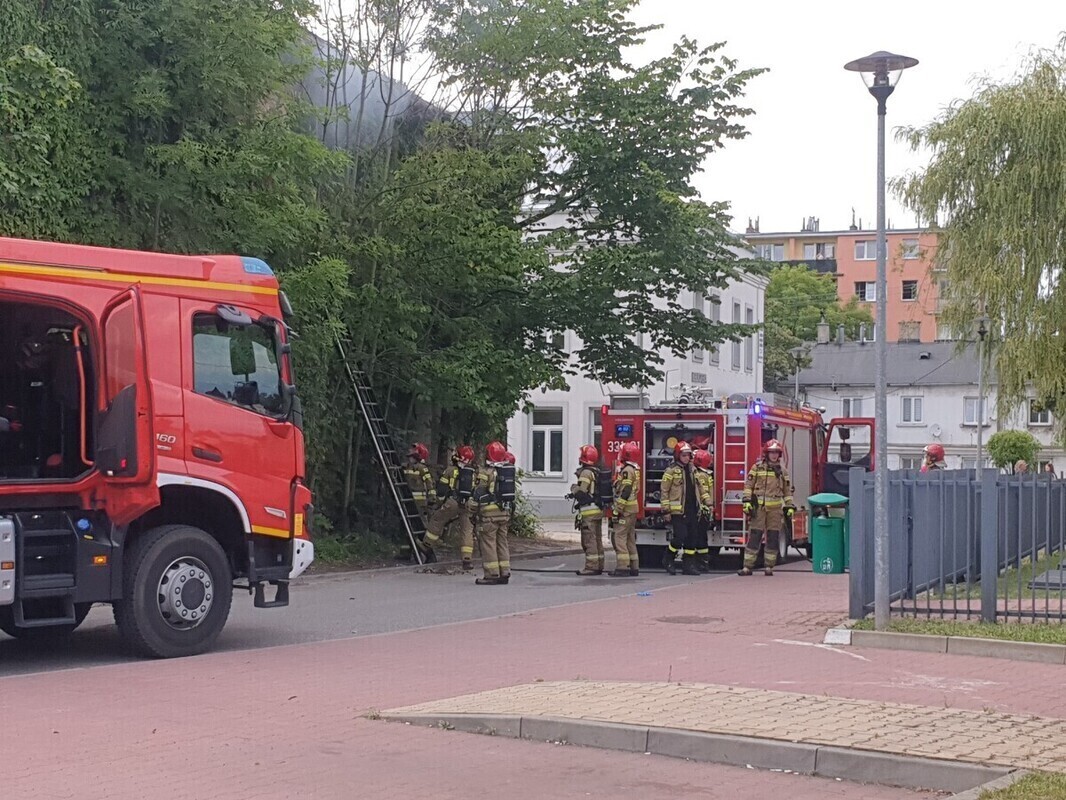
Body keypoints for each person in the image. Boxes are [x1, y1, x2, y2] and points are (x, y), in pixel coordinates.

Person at [739, 439, 794, 577]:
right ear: (766, 453)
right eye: (771, 452)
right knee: (755, 536)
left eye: (776, 453)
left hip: (775, 510)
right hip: (759, 509)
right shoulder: (757, 468)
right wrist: (746, 501)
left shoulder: (782, 471)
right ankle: (747, 567)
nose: (774, 455)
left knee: (773, 537)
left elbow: (787, 491)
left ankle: (769, 566)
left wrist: (789, 506)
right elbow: (748, 486)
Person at [422, 444, 476, 569]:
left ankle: (427, 544)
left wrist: (438, 504)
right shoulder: (473, 472)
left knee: (437, 519)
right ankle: (467, 559)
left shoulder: (451, 470)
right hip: (468, 504)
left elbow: (442, 489)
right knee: (467, 530)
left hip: (453, 502)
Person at [470, 440, 512, 585]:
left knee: (488, 543)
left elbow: (478, 493)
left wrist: (472, 511)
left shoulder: (485, 473)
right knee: (502, 543)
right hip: (504, 514)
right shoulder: (506, 471)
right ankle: (504, 571)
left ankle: (492, 574)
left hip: (489, 516)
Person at [660, 440, 701, 576]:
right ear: (678, 455)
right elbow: (664, 491)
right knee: (680, 537)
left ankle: (688, 565)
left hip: (692, 509)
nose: (686, 458)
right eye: (684, 455)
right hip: (678, 511)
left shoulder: (693, 470)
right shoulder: (671, 471)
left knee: (692, 538)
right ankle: (668, 559)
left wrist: (707, 504)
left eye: (688, 455)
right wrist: (666, 510)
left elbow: (699, 488)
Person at [570, 444, 605, 576]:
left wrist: (573, 488)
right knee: (597, 540)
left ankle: (591, 567)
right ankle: (599, 565)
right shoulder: (596, 471)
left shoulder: (586, 472)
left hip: (589, 512)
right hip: (597, 510)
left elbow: (582, 492)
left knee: (589, 540)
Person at [609, 442, 641, 577]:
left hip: (626, 509)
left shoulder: (627, 470)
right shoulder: (635, 469)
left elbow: (626, 490)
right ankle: (634, 566)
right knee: (629, 538)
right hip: (633, 509)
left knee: (619, 536)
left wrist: (618, 508)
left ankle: (622, 567)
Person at [692, 447, 715, 572]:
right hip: (703, 511)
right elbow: (705, 493)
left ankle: (701, 562)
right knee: (701, 537)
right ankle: (702, 562)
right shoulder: (703, 475)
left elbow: (703, 493)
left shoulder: (700, 475)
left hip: (701, 511)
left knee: (699, 537)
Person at [404, 442, 437, 519]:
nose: (410, 459)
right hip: (408, 500)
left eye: (412, 457)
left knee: (420, 522)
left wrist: (432, 499)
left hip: (420, 503)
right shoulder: (406, 467)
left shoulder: (422, 469)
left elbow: (429, 483)